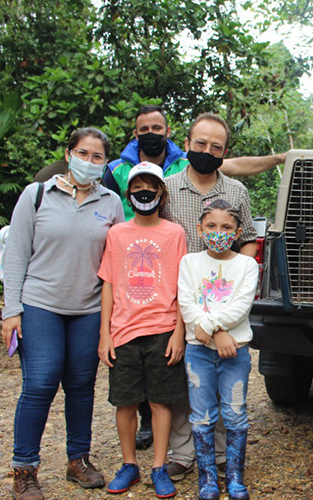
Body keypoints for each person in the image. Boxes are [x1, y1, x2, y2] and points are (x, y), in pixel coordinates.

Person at [0, 127, 124, 500]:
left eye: (97, 157)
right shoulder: (37, 195)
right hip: (40, 305)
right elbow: (17, 254)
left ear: (105, 164)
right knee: (40, 383)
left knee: (81, 386)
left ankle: (78, 460)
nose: (89, 162)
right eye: (83, 153)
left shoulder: (111, 203)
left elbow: (115, 262)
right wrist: (11, 310)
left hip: (87, 308)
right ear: (68, 153)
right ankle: (25, 468)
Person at [160, 112, 258, 480]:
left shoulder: (236, 192)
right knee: (186, 377)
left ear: (225, 151)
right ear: (186, 143)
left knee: (221, 378)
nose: (206, 150)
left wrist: (231, 281)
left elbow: (247, 239)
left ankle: (221, 457)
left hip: (224, 301)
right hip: (179, 293)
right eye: (200, 143)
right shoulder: (167, 189)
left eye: (216, 147)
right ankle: (184, 453)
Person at [97, 162, 188, 498]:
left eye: (150, 188)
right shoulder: (117, 233)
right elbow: (107, 283)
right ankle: (129, 463)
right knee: (125, 402)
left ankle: (159, 466)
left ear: (161, 193)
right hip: (123, 331)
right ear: (128, 194)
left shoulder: (174, 233)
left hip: (163, 330)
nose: (143, 193)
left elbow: (182, 285)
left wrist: (179, 331)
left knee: (161, 402)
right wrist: (105, 333)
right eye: (137, 189)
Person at [178, 199, 259, 500]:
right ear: (200, 228)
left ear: (237, 232)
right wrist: (213, 332)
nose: (218, 232)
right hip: (198, 352)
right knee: (201, 415)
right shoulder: (189, 262)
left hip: (234, 351)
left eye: (226, 227)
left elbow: (241, 305)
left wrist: (210, 326)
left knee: (235, 412)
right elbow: (187, 303)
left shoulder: (247, 265)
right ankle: (207, 479)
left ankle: (235, 478)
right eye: (211, 226)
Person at [104, 104, 286, 221]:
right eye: (145, 129)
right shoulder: (116, 170)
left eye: (157, 128)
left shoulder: (189, 161)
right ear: (136, 134)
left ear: (167, 132)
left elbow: (238, 166)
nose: (151, 133)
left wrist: (281, 158)